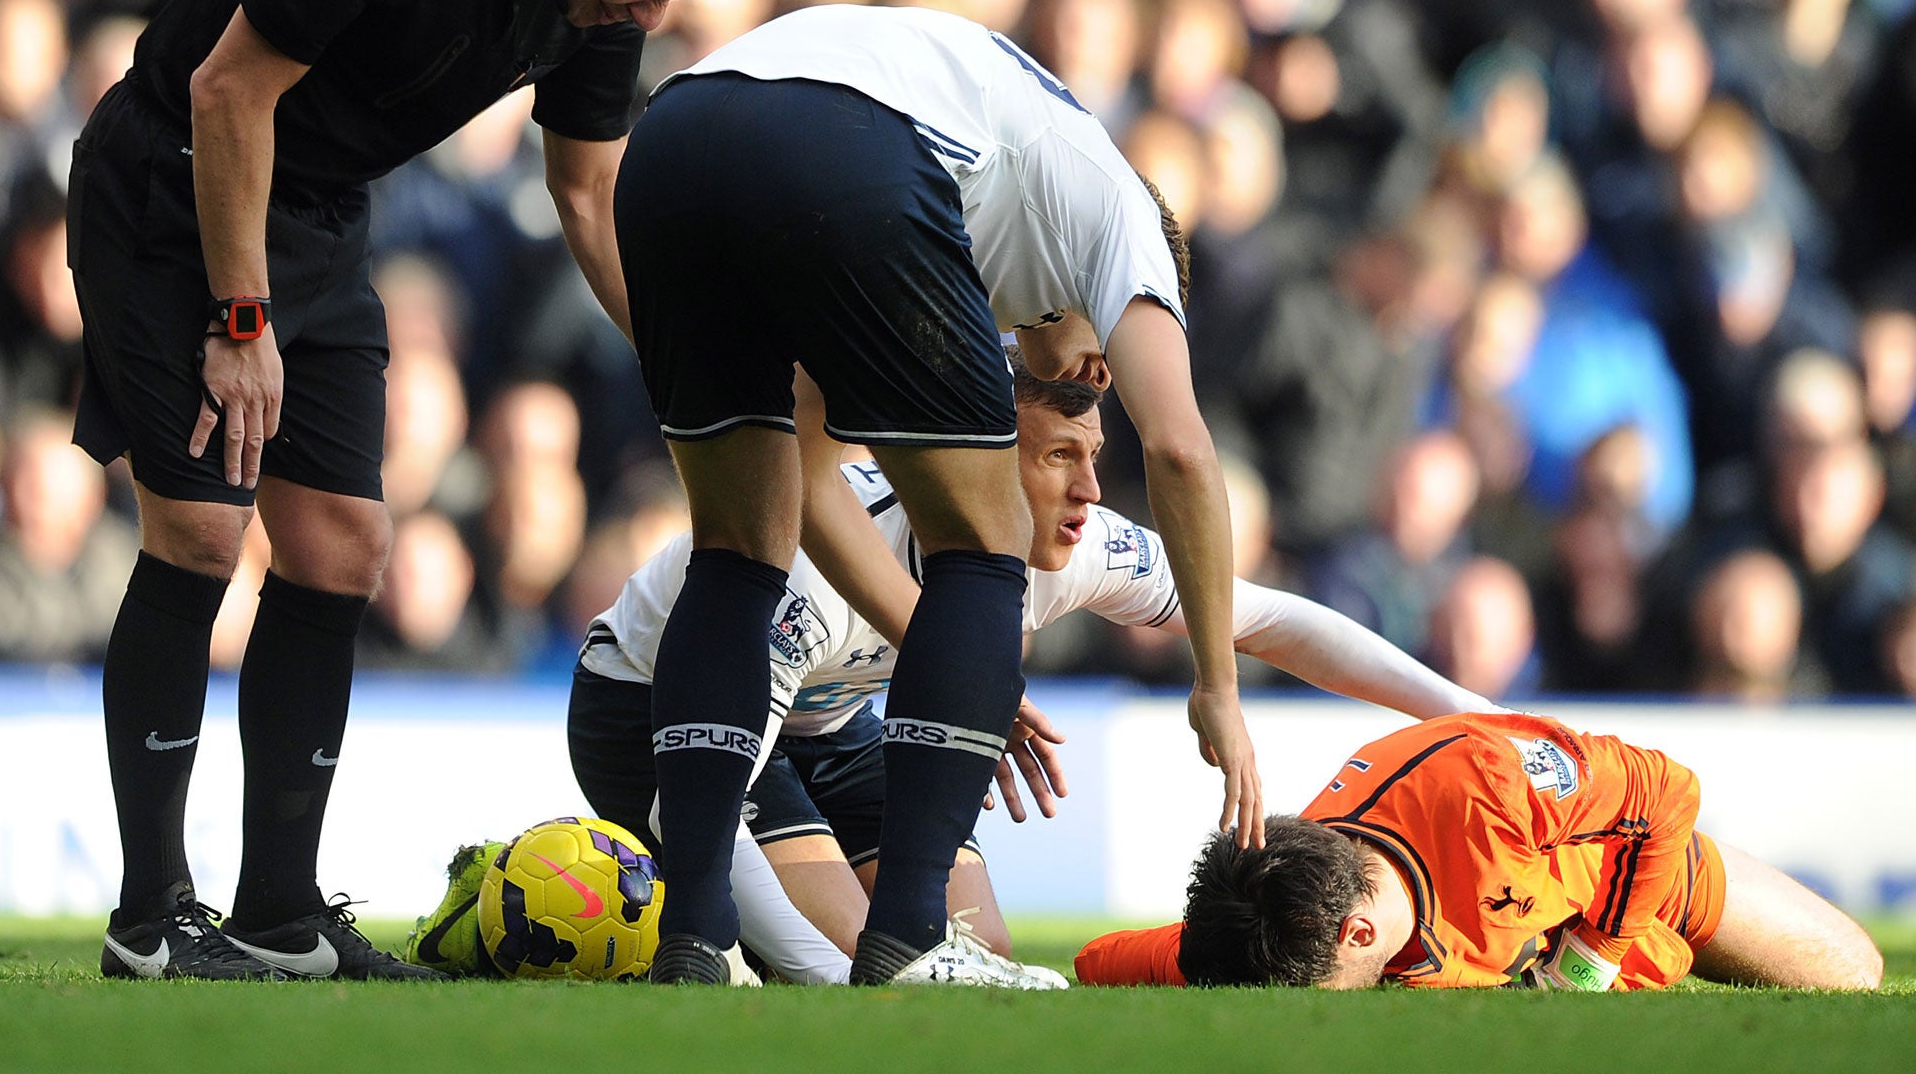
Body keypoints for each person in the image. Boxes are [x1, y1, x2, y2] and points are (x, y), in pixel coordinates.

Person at [69, 0, 735, 980]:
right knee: (201, 531)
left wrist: (679, 366)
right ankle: (150, 918)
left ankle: (277, 910)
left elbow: (585, 194)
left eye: (668, 0)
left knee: (340, 548)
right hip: (178, 186)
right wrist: (240, 321)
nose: (646, 21)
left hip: (318, 213)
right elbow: (227, 93)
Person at [611, 3, 1261, 987]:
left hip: (671, 135)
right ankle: (912, 940)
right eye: (1098, 361)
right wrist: (1214, 684)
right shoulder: (1123, 227)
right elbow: (1179, 450)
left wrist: (925, 636)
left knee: (738, 546)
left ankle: (693, 934)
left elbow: (812, 466)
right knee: (985, 535)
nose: (1090, 381)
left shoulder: (996, 213)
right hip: (841, 135)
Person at [529, 354, 1493, 983]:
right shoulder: (811, 573)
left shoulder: (1079, 548)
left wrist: (1470, 712)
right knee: (837, 962)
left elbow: (1268, 620)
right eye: (1060, 457)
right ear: (979, 466)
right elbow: (719, 799)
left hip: (830, 722)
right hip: (654, 712)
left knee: (972, 961)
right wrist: (822, 973)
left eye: (1095, 454)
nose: (1091, 489)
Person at [1075, 711, 1883, 991]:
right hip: (1538, 940)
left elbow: (1666, 791)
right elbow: (1103, 958)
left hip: (1636, 880)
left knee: (1854, 974)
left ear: (1360, 937)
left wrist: (1595, 955)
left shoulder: (1488, 788)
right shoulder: (1272, 921)